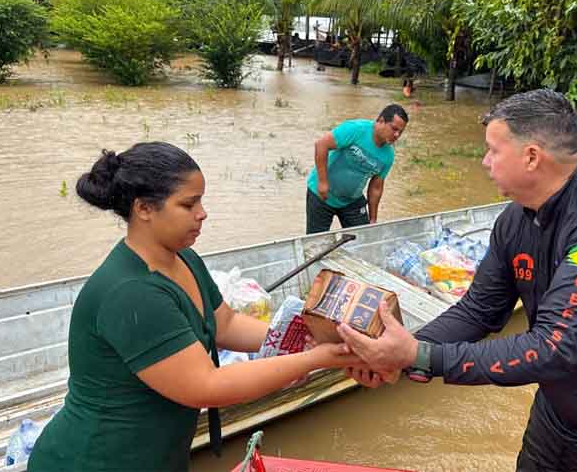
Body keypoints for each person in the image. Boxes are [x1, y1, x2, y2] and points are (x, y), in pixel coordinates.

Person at [338, 90, 577, 471]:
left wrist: (422, 357)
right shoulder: (515, 221)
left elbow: (554, 348)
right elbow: (478, 310)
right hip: (559, 416)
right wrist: (400, 350)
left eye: (493, 150)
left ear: (531, 156)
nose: (484, 162)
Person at [28, 142, 360, 471]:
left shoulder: (183, 258)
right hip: (95, 460)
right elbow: (206, 386)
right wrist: (314, 359)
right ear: (144, 209)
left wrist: (304, 336)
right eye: (188, 204)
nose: (202, 213)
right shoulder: (132, 292)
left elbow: (226, 325)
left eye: (201, 201)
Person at [305, 104, 409, 234]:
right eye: (394, 129)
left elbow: (376, 187)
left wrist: (373, 219)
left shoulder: (388, 156)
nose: (397, 135)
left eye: (400, 132)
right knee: (315, 244)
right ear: (381, 121)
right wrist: (323, 182)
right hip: (321, 195)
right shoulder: (356, 129)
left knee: (363, 239)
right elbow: (321, 145)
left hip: (351, 201)